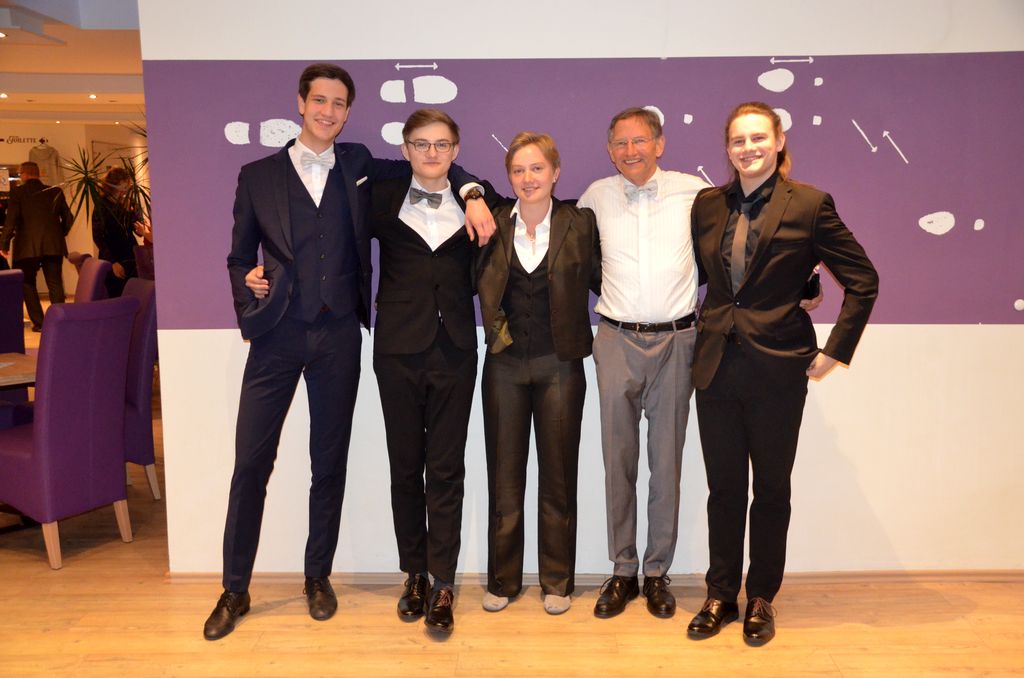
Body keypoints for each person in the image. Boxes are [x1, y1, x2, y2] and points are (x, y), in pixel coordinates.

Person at [205, 64, 494, 641]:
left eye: (338, 104)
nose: (328, 111)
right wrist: (249, 284)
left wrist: (471, 191)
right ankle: (234, 588)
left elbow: (432, 161)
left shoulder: (360, 164)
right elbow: (238, 256)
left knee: (328, 463)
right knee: (251, 463)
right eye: (320, 100)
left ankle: (318, 577)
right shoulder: (257, 175)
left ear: (347, 112)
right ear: (301, 103)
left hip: (338, 336)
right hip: (276, 336)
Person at [686, 101, 878, 645]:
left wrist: (836, 351)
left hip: (778, 370)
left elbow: (863, 279)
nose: (748, 148)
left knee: (771, 489)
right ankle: (720, 594)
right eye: (738, 140)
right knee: (724, 489)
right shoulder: (707, 205)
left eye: (757, 138)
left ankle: (761, 598)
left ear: (778, 141)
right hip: (715, 366)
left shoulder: (811, 204)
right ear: (727, 148)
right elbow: (709, 276)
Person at [577, 108, 708, 619]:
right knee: (619, 461)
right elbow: (581, 261)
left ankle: (656, 572)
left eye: (640, 140)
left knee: (666, 462)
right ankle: (623, 569)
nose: (630, 151)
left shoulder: (695, 193)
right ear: (610, 150)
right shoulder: (595, 197)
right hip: (615, 340)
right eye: (620, 143)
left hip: (678, 340)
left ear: (660, 143)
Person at [476, 132, 600, 616]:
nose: (528, 178)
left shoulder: (581, 223)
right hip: (504, 365)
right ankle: (503, 580)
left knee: (559, 476)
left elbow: (611, 276)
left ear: (556, 172)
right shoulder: (490, 222)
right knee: (504, 477)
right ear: (509, 177)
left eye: (537, 168)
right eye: (518, 170)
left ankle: (557, 581)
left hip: (560, 364)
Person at [367, 109, 480, 633]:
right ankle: (414, 573)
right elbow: (328, 237)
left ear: (456, 150)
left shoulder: (480, 200)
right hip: (397, 350)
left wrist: (471, 190)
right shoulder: (381, 196)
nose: (431, 153)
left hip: (455, 350)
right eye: (421, 144)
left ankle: (444, 581)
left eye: (441, 144)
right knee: (405, 467)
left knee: (447, 470)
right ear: (405, 149)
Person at [0, 161, 73, 331]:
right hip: (53, 245)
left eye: (20, 174)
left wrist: (4, 245)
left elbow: (11, 220)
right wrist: (59, 233)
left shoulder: (17, 193)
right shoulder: (55, 191)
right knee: (55, 283)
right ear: (38, 173)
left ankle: (40, 323)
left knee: (27, 283)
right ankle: (60, 322)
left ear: (24, 174)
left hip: (26, 247)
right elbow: (69, 218)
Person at [91, 167, 142, 297]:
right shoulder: (102, 205)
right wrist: (112, 262)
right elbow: (98, 237)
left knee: (134, 295)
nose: (126, 188)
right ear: (115, 184)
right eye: (124, 185)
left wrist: (133, 211)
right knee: (116, 295)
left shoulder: (129, 202)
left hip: (130, 255)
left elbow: (139, 232)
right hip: (112, 256)